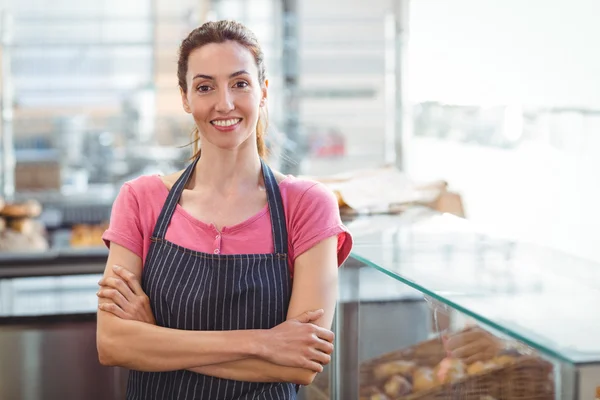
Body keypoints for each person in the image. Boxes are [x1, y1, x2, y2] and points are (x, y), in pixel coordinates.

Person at [96, 20, 353, 400]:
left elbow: (301, 364)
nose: (224, 103)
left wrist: (156, 339)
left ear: (263, 92)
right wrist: (263, 344)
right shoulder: (141, 199)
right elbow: (113, 344)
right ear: (185, 98)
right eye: (204, 87)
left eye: (240, 83)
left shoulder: (308, 204)